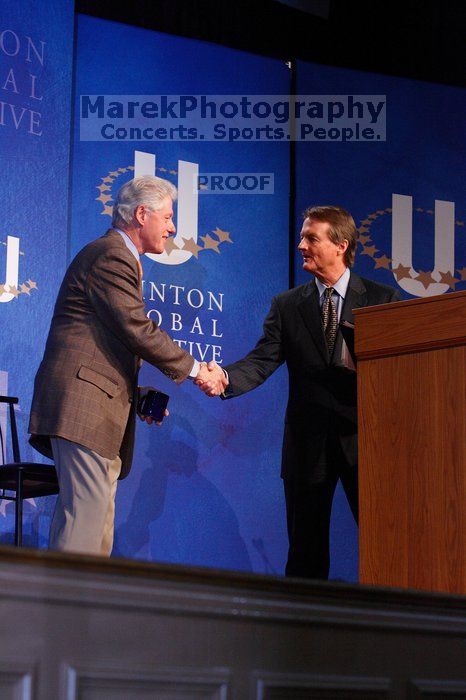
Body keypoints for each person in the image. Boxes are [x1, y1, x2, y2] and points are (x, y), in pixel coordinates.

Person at [198, 206, 401, 580]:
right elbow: (262, 360)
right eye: (302, 236)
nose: (300, 245)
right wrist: (225, 376)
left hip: (367, 445)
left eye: (311, 238)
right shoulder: (287, 305)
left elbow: (399, 377)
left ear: (341, 245)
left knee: (388, 548)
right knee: (305, 555)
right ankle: (301, 636)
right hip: (307, 445)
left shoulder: (382, 300)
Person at [29, 175, 226, 557]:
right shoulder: (112, 254)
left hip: (96, 410)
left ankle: (80, 615)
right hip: (82, 411)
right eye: (167, 218)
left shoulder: (119, 259)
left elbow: (101, 347)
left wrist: (134, 395)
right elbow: (136, 327)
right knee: (82, 532)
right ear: (141, 214)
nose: (172, 228)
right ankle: (60, 616)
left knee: (96, 535)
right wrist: (197, 370)